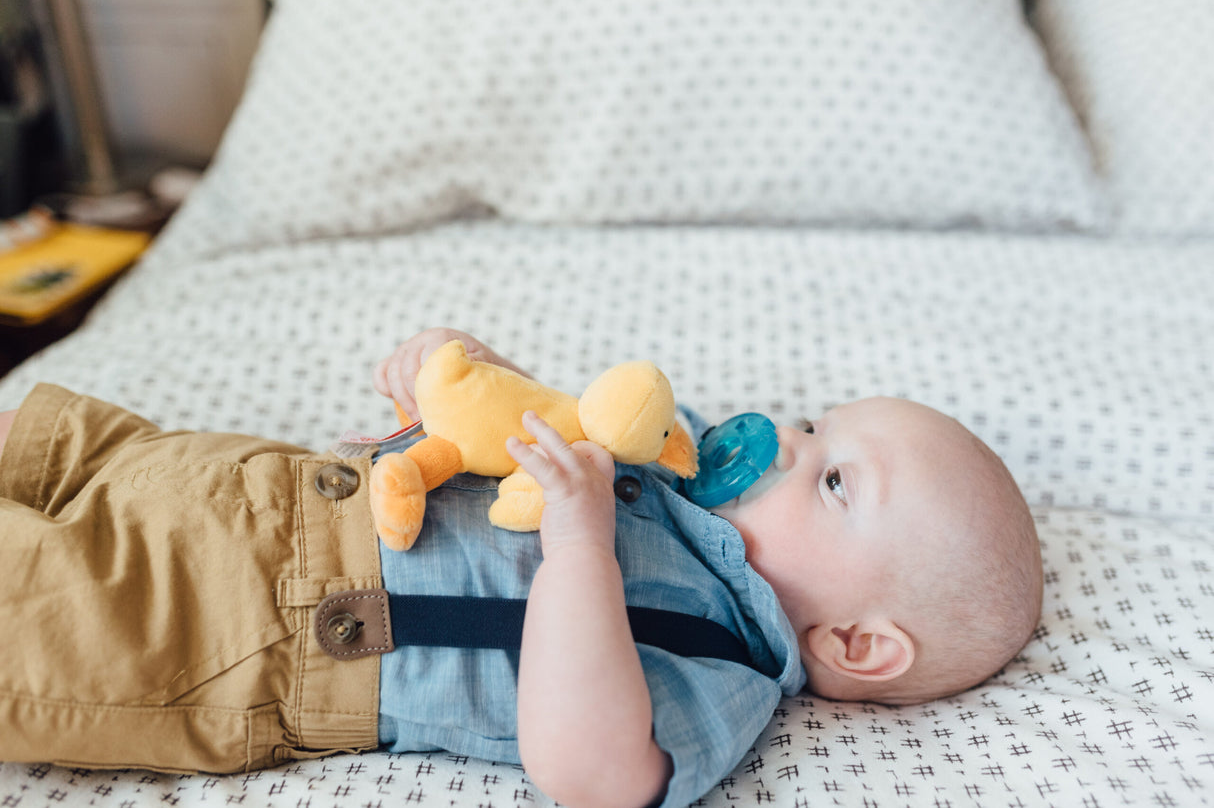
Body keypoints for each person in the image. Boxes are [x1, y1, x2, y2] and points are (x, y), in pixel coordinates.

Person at [0, 327, 1042, 808]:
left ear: (855, 645)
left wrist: (581, 548)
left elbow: (588, 772)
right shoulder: (654, 456)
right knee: (43, 441)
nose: (782, 440)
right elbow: (507, 434)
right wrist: (462, 382)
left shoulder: (721, 667)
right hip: (232, 479)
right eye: (816, 425)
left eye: (829, 482)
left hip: (241, 629)